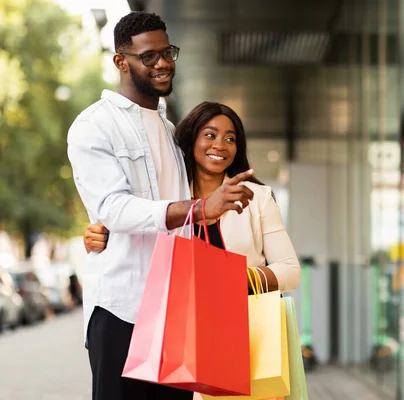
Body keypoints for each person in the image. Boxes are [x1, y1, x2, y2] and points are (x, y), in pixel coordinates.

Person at [67, 12, 254, 400]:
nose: (163, 63)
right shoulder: (93, 126)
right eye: (149, 56)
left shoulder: (171, 132)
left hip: (174, 312)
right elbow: (113, 209)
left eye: (167, 52)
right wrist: (198, 208)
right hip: (122, 310)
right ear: (121, 61)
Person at [85, 101, 301, 294]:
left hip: (247, 325)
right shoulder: (166, 196)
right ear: (191, 139)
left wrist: (230, 279)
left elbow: (290, 272)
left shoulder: (256, 198)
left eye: (230, 139)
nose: (220, 145)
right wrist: (101, 238)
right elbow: (135, 236)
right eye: (210, 135)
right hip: (181, 325)